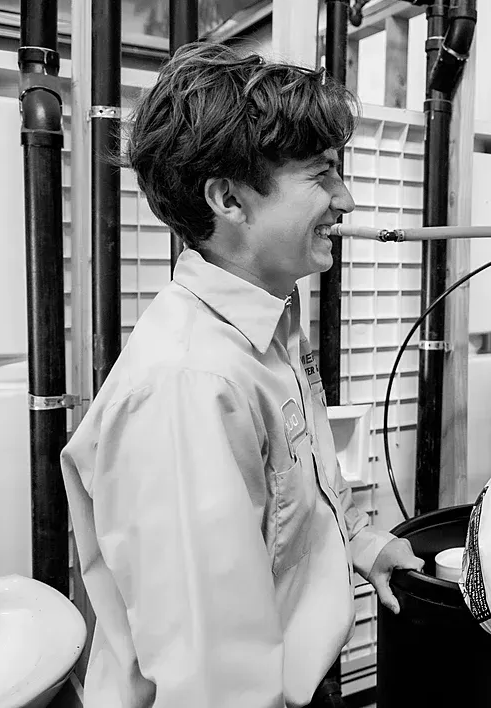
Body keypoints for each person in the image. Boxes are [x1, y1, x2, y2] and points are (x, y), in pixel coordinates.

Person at [60, 41, 422, 708]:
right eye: (319, 176)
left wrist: (363, 548)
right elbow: (211, 678)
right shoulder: (189, 385)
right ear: (228, 198)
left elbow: (290, 502)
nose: (346, 200)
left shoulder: (273, 322)